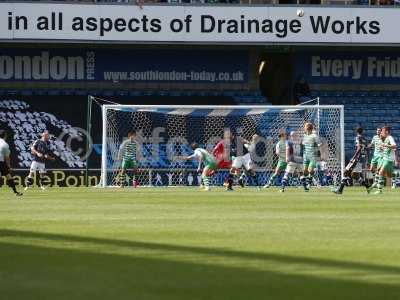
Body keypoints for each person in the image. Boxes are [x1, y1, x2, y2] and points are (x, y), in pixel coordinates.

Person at [332, 127, 370, 194]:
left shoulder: (358, 137)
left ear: (356, 131)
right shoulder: (364, 139)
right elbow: (367, 149)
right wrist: (367, 159)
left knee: (345, 172)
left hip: (357, 158)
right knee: (355, 175)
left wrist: (354, 157)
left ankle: (340, 190)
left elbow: (359, 147)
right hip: (361, 158)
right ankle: (367, 186)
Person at [371, 126, 397, 194]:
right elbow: (387, 148)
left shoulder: (390, 138)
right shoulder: (385, 139)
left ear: (387, 132)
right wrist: (383, 148)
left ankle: (379, 190)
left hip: (388, 160)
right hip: (385, 159)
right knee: (389, 175)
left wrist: (385, 145)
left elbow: (394, 146)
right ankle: (395, 176)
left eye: (383, 131)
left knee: (380, 172)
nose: (381, 132)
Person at [0, 130, 23, 196]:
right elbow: (7, 158)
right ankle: (16, 192)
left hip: (1, 162)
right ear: (5, 136)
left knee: (8, 176)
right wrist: (9, 166)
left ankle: (16, 192)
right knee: (9, 177)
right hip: (1, 162)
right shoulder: (5, 144)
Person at [301, 123, 321, 192]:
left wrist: (319, 152)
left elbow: (319, 144)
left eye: (305, 127)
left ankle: (309, 184)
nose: (304, 128)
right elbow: (303, 144)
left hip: (313, 156)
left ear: (307, 128)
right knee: (305, 171)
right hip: (306, 155)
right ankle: (308, 183)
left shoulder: (314, 136)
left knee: (310, 170)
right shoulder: (304, 135)